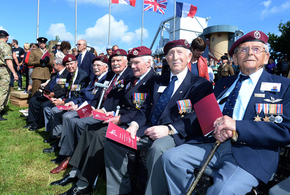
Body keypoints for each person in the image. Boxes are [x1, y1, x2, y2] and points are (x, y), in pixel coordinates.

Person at [162, 30, 290, 195]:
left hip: (252, 153)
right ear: (235, 59)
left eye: (257, 49)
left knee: (222, 191)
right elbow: (207, 112)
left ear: (266, 57)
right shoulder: (223, 83)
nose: (250, 52)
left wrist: (237, 126)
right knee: (170, 159)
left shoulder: (284, 86)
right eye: (243, 49)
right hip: (212, 143)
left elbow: (285, 131)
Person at [104, 40, 213, 195]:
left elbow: (197, 117)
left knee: (158, 148)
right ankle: (120, 191)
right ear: (166, 58)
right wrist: (134, 124)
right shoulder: (157, 81)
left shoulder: (200, 84)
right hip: (148, 128)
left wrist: (169, 129)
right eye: (171, 53)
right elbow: (145, 108)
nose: (175, 57)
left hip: (176, 134)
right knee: (113, 140)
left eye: (180, 52)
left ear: (189, 56)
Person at [55, 46, 158, 195]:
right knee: (89, 130)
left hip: (133, 123)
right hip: (119, 117)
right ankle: (76, 171)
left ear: (148, 63)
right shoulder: (133, 79)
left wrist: (121, 118)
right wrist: (110, 113)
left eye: (136, 63)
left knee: (99, 135)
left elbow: (146, 110)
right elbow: (121, 101)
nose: (133, 66)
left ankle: (84, 184)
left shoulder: (153, 81)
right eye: (132, 63)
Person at [43, 56, 109, 160]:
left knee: (67, 117)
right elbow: (80, 94)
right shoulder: (93, 79)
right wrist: (68, 102)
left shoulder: (99, 79)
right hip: (81, 103)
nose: (95, 68)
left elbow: (89, 97)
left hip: (91, 108)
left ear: (105, 67)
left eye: (98, 65)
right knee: (55, 111)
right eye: (94, 65)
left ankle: (64, 151)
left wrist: (71, 104)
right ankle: (59, 142)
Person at [41, 54, 90, 133]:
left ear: (76, 63)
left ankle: (58, 135)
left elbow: (78, 95)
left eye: (71, 64)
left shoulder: (83, 77)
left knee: (54, 110)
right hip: (67, 99)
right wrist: (58, 99)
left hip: (75, 102)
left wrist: (63, 102)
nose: (69, 66)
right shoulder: (69, 75)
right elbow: (66, 91)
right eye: (67, 64)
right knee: (47, 107)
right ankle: (52, 133)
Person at [24, 58, 69, 131]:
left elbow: (64, 89)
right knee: (33, 100)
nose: (53, 67)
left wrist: (54, 94)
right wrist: (45, 91)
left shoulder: (67, 74)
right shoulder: (55, 74)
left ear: (59, 65)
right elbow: (49, 84)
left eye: (54, 65)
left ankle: (38, 124)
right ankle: (32, 121)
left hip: (57, 97)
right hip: (48, 95)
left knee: (44, 105)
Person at [0, 30, 18, 121]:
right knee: (3, 91)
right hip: (3, 69)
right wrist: (14, 73)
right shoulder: (5, 46)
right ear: (7, 37)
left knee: (4, 89)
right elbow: (8, 60)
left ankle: (1, 109)